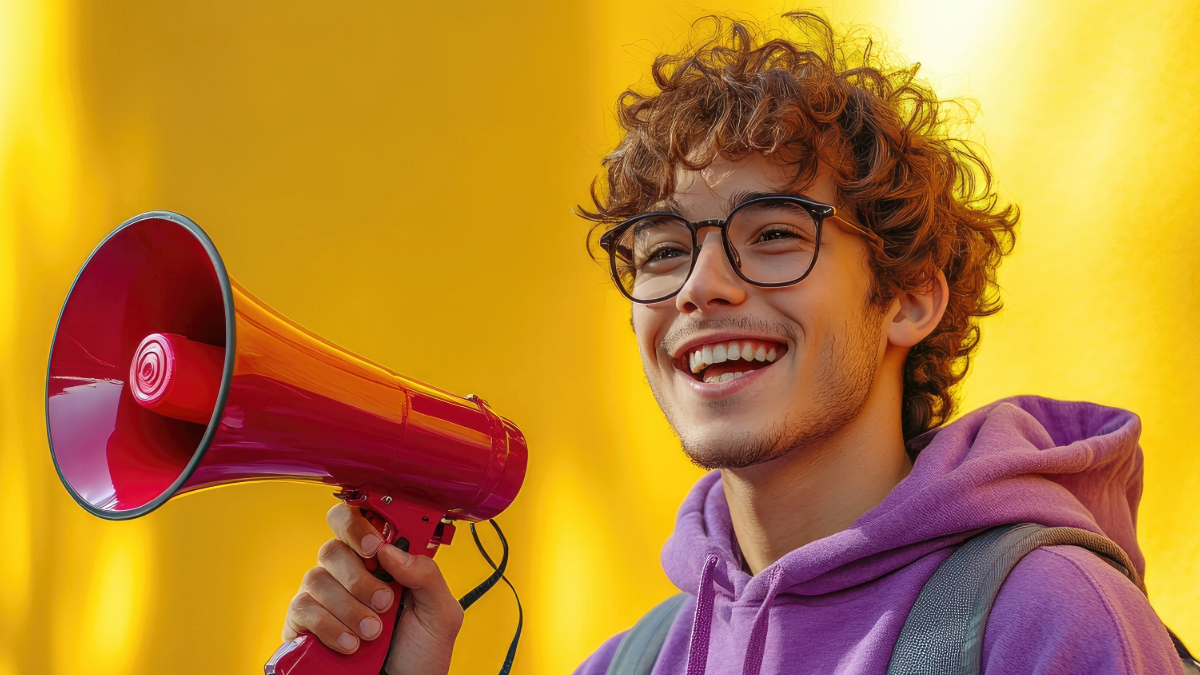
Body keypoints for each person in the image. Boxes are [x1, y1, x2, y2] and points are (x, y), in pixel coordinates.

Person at [279, 12, 1185, 675]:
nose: (700, 285)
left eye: (775, 234)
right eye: (663, 249)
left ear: (909, 299)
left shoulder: (1042, 620)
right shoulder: (630, 663)